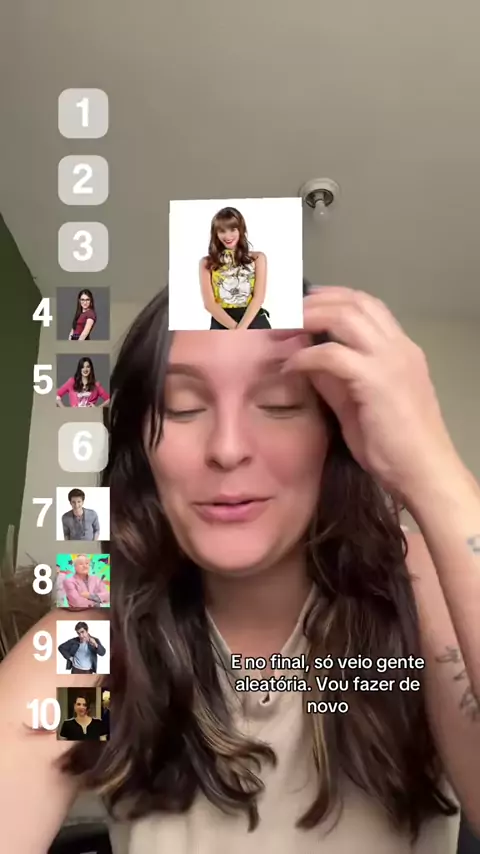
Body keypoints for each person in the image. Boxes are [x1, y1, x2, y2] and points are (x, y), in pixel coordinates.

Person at [1, 286, 480, 853]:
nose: (227, 449)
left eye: (280, 403)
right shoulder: (92, 637)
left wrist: (431, 469)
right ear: (142, 452)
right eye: (182, 407)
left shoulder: (418, 585)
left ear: (335, 437)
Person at [199, 206, 271, 329]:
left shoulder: (258, 258)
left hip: (253, 319)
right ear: (216, 234)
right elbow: (209, 304)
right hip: (222, 322)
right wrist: (236, 329)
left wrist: (241, 328)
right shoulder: (207, 263)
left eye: (232, 229)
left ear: (241, 230)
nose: (228, 236)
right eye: (222, 231)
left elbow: (258, 298)